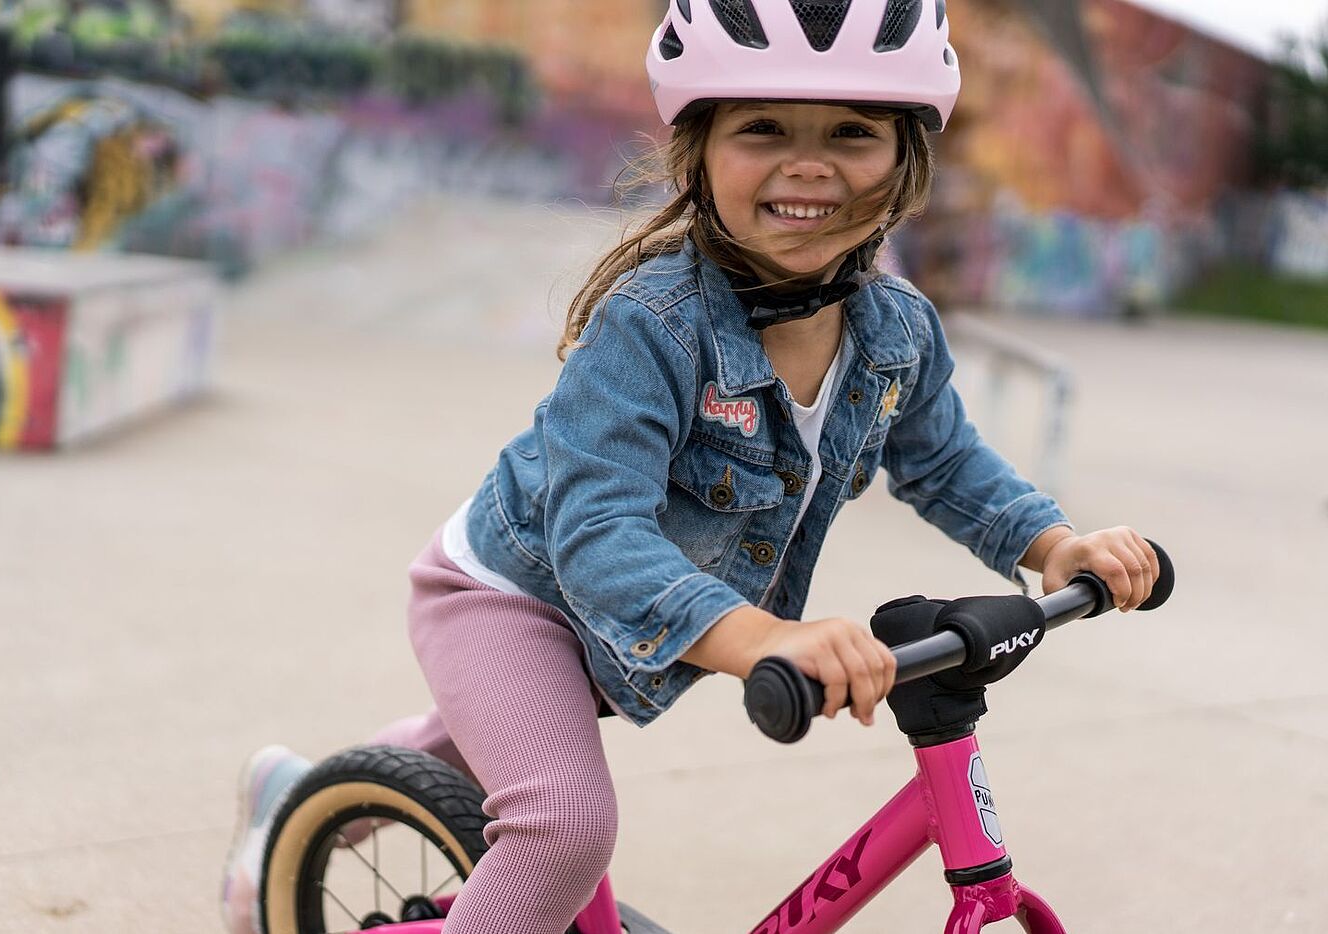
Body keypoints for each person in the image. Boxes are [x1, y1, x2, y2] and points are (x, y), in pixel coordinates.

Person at [221, 3, 1162, 932]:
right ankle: (307, 823)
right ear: (698, 151)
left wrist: (1055, 544)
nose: (809, 161)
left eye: (852, 131)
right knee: (562, 824)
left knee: (474, 752)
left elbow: (945, 459)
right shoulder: (653, 326)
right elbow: (596, 535)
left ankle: (296, 801)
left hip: (650, 619)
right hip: (513, 596)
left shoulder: (896, 330)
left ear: (908, 156)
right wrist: (755, 636)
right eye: (763, 128)